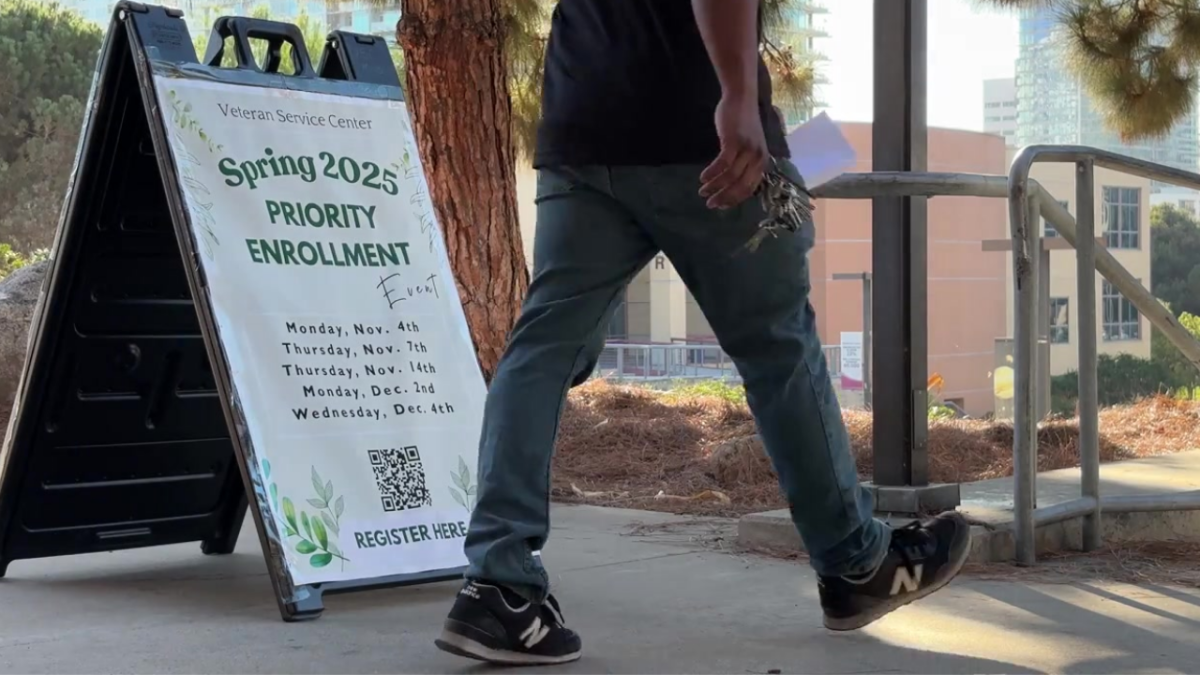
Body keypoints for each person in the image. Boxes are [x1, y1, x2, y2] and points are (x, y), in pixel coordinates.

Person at [434, 0, 971, 666]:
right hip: (701, 126)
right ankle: (854, 563)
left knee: (540, 350)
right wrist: (739, 96)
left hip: (584, 120)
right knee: (778, 351)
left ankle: (499, 584)